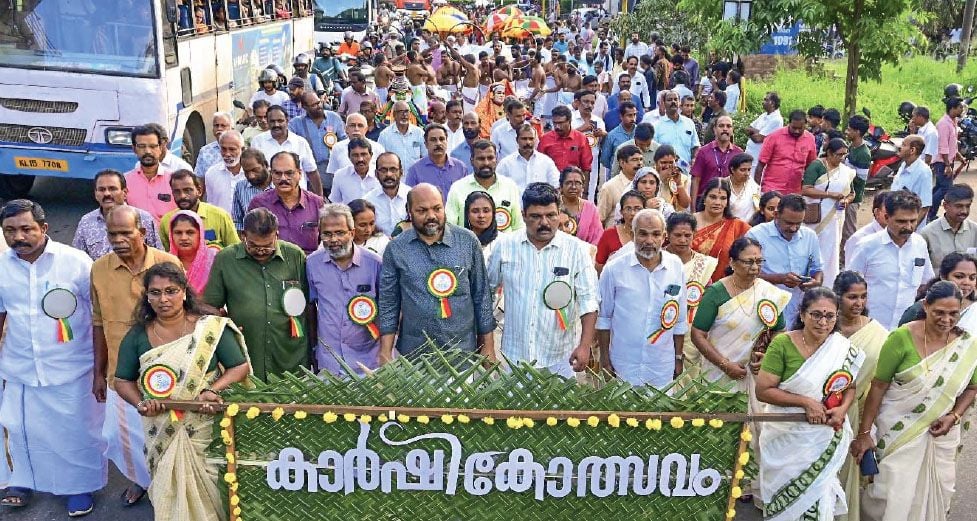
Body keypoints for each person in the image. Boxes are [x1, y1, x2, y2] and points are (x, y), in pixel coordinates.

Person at [114, 263, 251, 521]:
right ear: (147, 296)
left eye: (171, 290)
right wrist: (141, 403)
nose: (163, 299)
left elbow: (238, 366)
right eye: (155, 293)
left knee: (214, 489)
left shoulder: (209, 328)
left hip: (205, 424)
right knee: (170, 487)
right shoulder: (137, 336)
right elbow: (122, 380)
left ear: (185, 292)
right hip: (161, 426)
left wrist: (213, 390)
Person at [0, 200, 106, 516]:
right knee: (19, 428)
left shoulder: (76, 262)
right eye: (9, 231)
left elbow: (99, 317)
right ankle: (20, 481)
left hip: (72, 366)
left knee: (74, 430)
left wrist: (101, 369)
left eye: (25, 229)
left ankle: (78, 487)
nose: (18, 237)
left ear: (44, 229)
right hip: (20, 366)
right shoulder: (1, 266)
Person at [853, 281, 977, 521]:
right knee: (890, 494)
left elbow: (972, 388)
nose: (946, 319)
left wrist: (954, 416)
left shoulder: (968, 345)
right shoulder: (901, 338)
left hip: (940, 437)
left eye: (954, 313)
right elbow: (878, 386)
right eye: (939, 312)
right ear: (925, 305)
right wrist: (864, 433)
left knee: (936, 493)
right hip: (897, 432)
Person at [91, 205, 180, 507]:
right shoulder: (99, 269)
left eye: (125, 232)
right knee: (121, 438)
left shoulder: (167, 263)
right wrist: (98, 373)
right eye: (112, 233)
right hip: (121, 374)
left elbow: (186, 310)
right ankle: (144, 480)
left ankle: (171, 488)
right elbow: (98, 321)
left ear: (142, 233)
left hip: (167, 370)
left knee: (166, 435)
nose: (118, 239)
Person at [756, 287, 865, 520]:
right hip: (786, 438)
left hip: (823, 437)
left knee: (819, 500)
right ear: (803, 314)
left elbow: (850, 387)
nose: (823, 322)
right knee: (785, 505)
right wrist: (806, 402)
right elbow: (763, 391)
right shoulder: (783, 344)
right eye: (816, 314)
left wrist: (842, 410)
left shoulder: (841, 348)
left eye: (830, 316)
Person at [488, 183, 598, 377]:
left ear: (559, 212)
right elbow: (487, 294)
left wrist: (584, 346)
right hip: (515, 357)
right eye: (536, 217)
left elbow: (589, 301)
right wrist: (487, 345)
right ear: (523, 215)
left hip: (561, 358)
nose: (545, 223)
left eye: (551, 215)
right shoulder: (504, 246)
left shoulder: (576, 250)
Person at [377, 183, 495, 361]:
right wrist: (385, 352)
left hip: (462, 353)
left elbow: (482, 296)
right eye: (422, 210)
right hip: (414, 356)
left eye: (437, 208)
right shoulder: (396, 248)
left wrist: (488, 347)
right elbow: (389, 303)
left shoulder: (468, 242)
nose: (431, 216)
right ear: (409, 211)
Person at [203, 208, 309, 382]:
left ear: (277, 234)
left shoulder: (295, 255)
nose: (261, 251)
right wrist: (228, 330)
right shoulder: (225, 259)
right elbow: (210, 307)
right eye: (253, 245)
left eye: (268, 245)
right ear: (243, 235)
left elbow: (309, 305)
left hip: (289, 350)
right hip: (247, 349)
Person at [597, 208, 687, 387]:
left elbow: (680, 319)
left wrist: (678, 357)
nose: (649, 241)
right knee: (621, 415)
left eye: (655, 235)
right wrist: (605, 360)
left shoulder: (676, 266)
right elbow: (604, 318)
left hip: (661, 365)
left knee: (659, 414)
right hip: (623, 364)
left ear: (664, 236)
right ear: (632, 233)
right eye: (643, 234)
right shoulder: (614, 269)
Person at [833, 271, 888, 521]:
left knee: (849, 472)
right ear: (837, 297)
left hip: (860, 414)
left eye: (863, 297)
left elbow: (882, 381)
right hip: (823, 413)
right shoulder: (824, 326)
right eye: (852, 297)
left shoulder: (878, 334)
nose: (859, 303)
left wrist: (867, 429)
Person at [307, 203, 384, 376]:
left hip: (368, 363)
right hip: (329, 363)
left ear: (352, 233)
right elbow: (310, 308)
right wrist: (313, 351)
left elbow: (389, 309)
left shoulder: (375, 264)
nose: (333, 240)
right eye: (327, 234)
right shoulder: (312, 264)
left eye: (340, 233)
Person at [848, 191, 935, 330]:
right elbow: (848, 287)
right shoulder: (866, 246)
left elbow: (926, 282)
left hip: (905, 328)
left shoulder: (920, 244)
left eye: (913, 221)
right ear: (887, 217)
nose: (908, 226)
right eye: (901, 221)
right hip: (870, 327)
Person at [746, 194, 824, 325]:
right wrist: (779, 279)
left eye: (798, 223)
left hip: (797, 309)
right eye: (789, 223)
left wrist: (816, 282)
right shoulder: (755, 235)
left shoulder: (810, 236)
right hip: (763, 308)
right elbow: (745, 274)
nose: (793, 228)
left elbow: (817, 269)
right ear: (776, 215)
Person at [662, 212, 718, 379]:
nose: (683, 240)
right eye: (677, 235)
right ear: (668, 235)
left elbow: (708, 296)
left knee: (689, 380)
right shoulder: (658, 259)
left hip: (692, 331)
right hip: (660, 328)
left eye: (688, 235)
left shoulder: (704, 263)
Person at [801, 138, 856, 288]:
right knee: (811, 247)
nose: (842, 158)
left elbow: (852, 193)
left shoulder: (845, 171)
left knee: (831, 250)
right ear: (830, 153)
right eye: (839, 154)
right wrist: (830, 195)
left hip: (835, 218)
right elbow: (806, 189)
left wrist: (846, 201)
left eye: (844, 155)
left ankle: (827, 284)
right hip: (815, 215)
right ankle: (807, 281)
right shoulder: (817, 166)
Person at [248, 151, 325, 255]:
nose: (283, 178)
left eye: (289, 173)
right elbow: (251, 242)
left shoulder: (316, 203)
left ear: (300, 174)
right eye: (277, 173)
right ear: (271, 174)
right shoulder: (259, 204)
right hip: (272, 265)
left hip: (307, 266)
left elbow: (325, 240)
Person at [73, 169, 161, 259]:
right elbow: (77, 258)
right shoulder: (86, 222)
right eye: (101, 189)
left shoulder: (144, 219)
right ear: (96, 194)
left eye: (112, 189)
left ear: (125, 193)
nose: (107, 193)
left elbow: (157, 256)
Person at [445, 140, 524, 232]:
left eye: (490, 158)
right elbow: (449, 227)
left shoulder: (509, 186)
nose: (486, 163)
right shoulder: (458, 188)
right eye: (481, 159)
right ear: (472, 161)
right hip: (469, 245)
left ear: (496, 160)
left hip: (504, 245)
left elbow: (518, 226)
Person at [250, 105, 323, 196]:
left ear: (287, 121)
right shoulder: (258, 142)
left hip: (297, 200)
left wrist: (319, 199)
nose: (276, 125)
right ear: (268, 122)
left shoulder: (300, 142)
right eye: (272, 121)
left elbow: (312, 172)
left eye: (280, 121)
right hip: (268, 200)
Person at [159, 170, 239, 250]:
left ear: (199, 191)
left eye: (188, 190)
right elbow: (164, 254)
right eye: (177, 192)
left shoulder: (220, 216)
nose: (182, 196)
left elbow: (235, 250)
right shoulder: (167, 220)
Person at [898, 252, 977, 332]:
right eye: (959, 276)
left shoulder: (974, 309)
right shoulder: (919, 308)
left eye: (972, 278)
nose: (967, 282)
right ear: (943, 276)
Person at [691, 178, 751, 282]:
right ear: (704, 198)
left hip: (721, 286)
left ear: (727, 202)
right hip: (689, 281)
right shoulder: (689, 221)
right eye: (713, 197)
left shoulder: (737, 226)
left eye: (723, 198)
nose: (717, 202)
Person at [288, 91, 347, 196]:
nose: (319, 106)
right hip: (310, 173)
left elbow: (344, 142)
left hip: (333, 170)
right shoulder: (296, 123)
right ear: (304, 107)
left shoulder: (334, 117)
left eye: (319, 102)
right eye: (313, 105)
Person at [753, 110, 817, 195]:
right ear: (788, 123)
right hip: (772, 189)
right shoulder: (774, 137)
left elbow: (810, 167)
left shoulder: (810, 139)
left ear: (805, 125)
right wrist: (756, 190)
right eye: (794, 128)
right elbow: (761, 165)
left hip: (795, 192)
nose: (797, 131)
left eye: (800, 128)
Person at [125, 125, 178, 221]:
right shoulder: (124, 181)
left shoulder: (174, 181)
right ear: (134, 149)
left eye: (153, 146)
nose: (148, 151)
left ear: (161, 148)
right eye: (142, 146)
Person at [919, 183, 977, 267]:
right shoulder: (927, 233)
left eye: (967, 206)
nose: (964, 211)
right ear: (945, 206)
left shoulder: (975, 230)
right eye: (959, 206)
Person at [689, 115, 743, 204]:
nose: (725, 129)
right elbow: (696, 180)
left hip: (729, 202)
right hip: (704, 202)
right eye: (721, 126)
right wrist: (693, 208)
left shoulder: (739, 153)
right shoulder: (703, 151)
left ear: (732, 130)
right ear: (714, 129)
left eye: (728, 126)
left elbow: (741, 180)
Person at [406, 124, 469, 198]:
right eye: (433, 140)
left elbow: (466, 196)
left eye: (442, 139)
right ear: (426, 144)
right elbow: (410, 199)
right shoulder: (415, 170)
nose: (438, 143)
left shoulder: (460, 168)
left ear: (446, 141)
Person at [930, 97, 966, 221]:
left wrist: (959, 157)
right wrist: (947, 165)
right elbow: (943, 146)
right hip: (942, 162)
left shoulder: (953, 121)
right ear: (953, 108)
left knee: (939, 188)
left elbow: (952, 144)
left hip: (946, 161)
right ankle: (930, 213)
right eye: (960, 107)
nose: (962, 109)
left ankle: (929, 212)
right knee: (946, 189)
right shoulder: (943, 124)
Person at [495, 123, 560, 192]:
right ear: (517, 140)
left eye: (531, 139)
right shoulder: (506, 164)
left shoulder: (546, 162)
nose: (528, 142)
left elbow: (555, 185)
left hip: (541, 202)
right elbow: (498, 188)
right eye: (524, 139)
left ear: (535, 140)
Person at [166, 210, 217, 294]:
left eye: (190, 232)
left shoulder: (215, 259)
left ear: (200, 234)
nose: (184, 238)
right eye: (178, 233)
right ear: (171, 235)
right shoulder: (165, 261)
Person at [596, 190, 646, 272]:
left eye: (637, 208)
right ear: (621, 212)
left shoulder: (651, 235)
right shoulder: (609, 235)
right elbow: (599, 267)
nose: (633, 213)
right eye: (628, 208)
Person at [201, 130, 247, 215]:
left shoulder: (250, 174)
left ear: (242, 150)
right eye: (223, 149)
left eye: (232, 149)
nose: (227, 154)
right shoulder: (211, 174)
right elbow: (211, 204)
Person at [365, 152, 410, 237]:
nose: (388, 174)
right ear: (376, 174)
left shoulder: (413, 197)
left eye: (393, 169)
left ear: (401, 172)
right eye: (383, 170)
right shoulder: (368, 201)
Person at [538, 105, 593, 174]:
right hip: (550, 181)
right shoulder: (545, 139)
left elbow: (586, 168)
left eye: (561, 123)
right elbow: (539, 164)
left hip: (572, 182)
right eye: (555, 123)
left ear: (569, 121)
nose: (557, 127)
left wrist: (585, 185)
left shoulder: (581, 139)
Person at [598, 144, 643, 227]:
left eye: (641, 159)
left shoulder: (644, 184)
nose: (639, 163)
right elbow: (600, 219)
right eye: (634, 160)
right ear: (622, 163)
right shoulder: (609, 187)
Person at [890, 135, 933, 223]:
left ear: (912, 150)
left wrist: (911, 228)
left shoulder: (923, 172)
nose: (900, 147)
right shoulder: (903, 165)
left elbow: (924, 207)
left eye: (903, 145)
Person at [232, 149, 273, 234]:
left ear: (265, 165)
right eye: (246, 172)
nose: (251, 176)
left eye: (255, 170)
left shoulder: (279, 185)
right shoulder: (240, 187)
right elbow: (238, 222)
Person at [558, 166, 603, 245]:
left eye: (578, 183)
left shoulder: (590, 208)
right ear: (561, 187)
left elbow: (598, 237)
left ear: (582, 188)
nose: (573, 187)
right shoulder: (553, 206)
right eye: (569, 183)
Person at [653, 90, 700, 165]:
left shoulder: (689, 123)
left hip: (686, 171)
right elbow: (654, 150)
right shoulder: (656, 126)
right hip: (665, 170)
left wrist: (694, 159)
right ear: (664, 104)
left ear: (679, 103)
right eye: (669, 100)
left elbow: (696, 146)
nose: (673, 102)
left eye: (675, 99)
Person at [378, 101, 426, 171]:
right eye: (400, 111)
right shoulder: (385, 135)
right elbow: (381, 160)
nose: (404, 114)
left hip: (416, 178)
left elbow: (426, 156)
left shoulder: (419, 133)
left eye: (407, 111)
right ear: (394, 114)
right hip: (394, 179)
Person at [744, 92, 783, 175]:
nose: (763, 102)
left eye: (765, 100)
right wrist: (758, 132)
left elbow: (758, 139)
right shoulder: (764, 115)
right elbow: (747, 129)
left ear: (772, 103)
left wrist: (756, 132)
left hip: (757, 158)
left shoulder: (776, 119)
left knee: (753, 184)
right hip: (750, 155)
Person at [331, 138, 380, 204]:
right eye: (355, 155)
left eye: (364, 154)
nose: (360, 159)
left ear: (371, 155)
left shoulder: (380, 175)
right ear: (349, 156)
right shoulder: (340, 176)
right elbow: (335, 203)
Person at [844, 190, 889, 263]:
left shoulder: (903, 237)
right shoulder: (858, 239)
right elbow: (852, 272)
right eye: (889, 211)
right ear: (877, 212)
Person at [193, 112, 234, 180]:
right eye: (216, 125)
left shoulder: (239, 149)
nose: (219, 128)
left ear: (231, 128)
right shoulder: (205, 151)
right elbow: (199, 177)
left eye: (223, 125)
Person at [463, 191, 499, 257]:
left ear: (493, 213)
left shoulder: (503, 241)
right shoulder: (460, 242)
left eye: (486, 211)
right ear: (467, 214)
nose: (481, 216)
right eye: (475, 211)